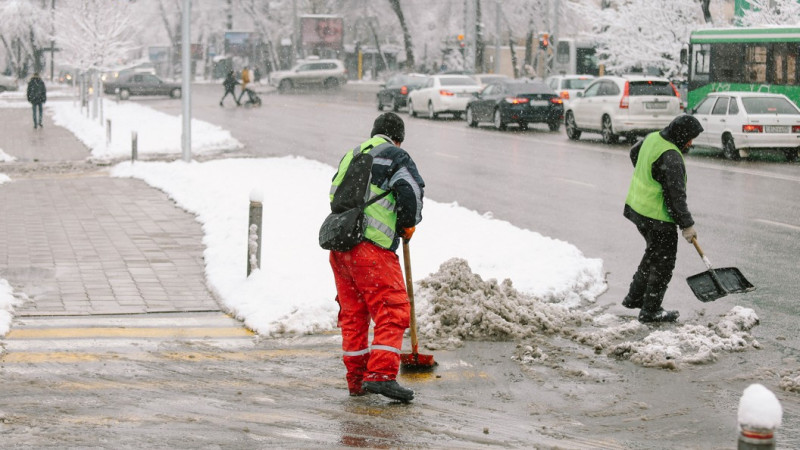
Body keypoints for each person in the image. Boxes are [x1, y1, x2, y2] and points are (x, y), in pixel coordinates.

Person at [328, 112, 425, 402]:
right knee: (392, 311)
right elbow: (411, 191)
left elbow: (335, 194)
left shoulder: (352, 154)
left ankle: (357, 379)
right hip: (372, 251)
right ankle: (381, 376)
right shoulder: (396, 155)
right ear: (398, 138)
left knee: (354, 316)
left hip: (341, 247)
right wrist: (407, 224)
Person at [622, 115, 704, 323]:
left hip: (638, 210)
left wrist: (650, 174)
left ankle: (635, 297)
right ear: (681, 136)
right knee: (663, 263)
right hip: (657, 218)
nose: (690, 143)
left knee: (653, 254)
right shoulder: (671, 157)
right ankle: (651, 310)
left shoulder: (652, 138)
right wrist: (687, 225)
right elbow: (675, 197)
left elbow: (634, 152)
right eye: (690, 139)